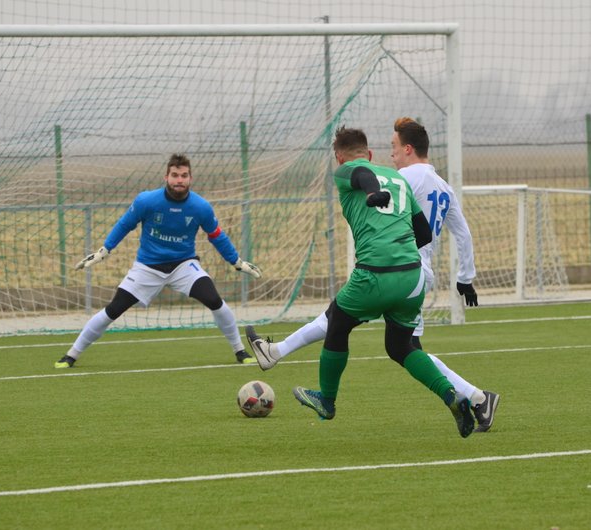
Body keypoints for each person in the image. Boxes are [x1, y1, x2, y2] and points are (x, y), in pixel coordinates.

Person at [246, 118, 499, 433]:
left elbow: (363, 175)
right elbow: (438, 232)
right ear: (368, 153)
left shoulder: (386, 174)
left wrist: (374, 194)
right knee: (401, 347)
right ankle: (459, 396)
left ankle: (326, 397)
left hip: (384, 265)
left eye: (394, 147)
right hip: (415, 273)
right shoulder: (431, 183)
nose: (391, 154)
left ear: (340, 158)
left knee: (340, 322)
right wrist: (464, 276)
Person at [54, 153, 262, 369]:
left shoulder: (201, 207)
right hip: (147, 266)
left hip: (184, 266)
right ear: (166, 177)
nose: (179, 180)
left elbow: (216, 235)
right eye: (175, 175)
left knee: (214, 300)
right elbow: (124, 224)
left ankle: (240, 350)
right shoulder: (146, 201)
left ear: (190, 179)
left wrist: (236, 261)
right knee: (114, 309)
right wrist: (104, 250)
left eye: (184, 176)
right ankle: (71, 355)